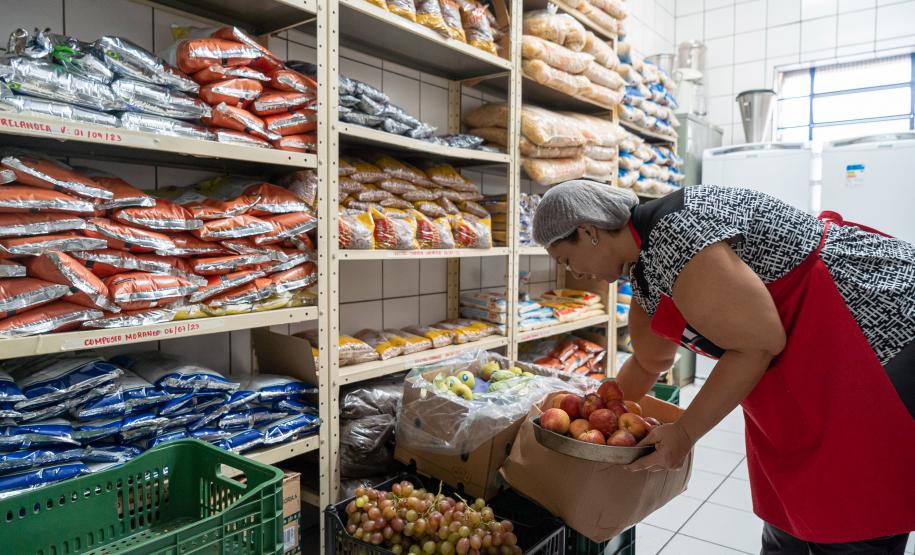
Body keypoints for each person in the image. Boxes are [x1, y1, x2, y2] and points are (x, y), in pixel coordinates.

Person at [531, 180, 915, 554]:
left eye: (567, 259)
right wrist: (593, 414)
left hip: (874, 325)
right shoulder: (643, 267)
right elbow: (650, 361)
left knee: (855, 502)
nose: (575, 272)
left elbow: (757, 344)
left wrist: (684, 433)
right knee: (794, 509)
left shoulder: (676, 233)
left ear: (589, 232)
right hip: (807, 357)